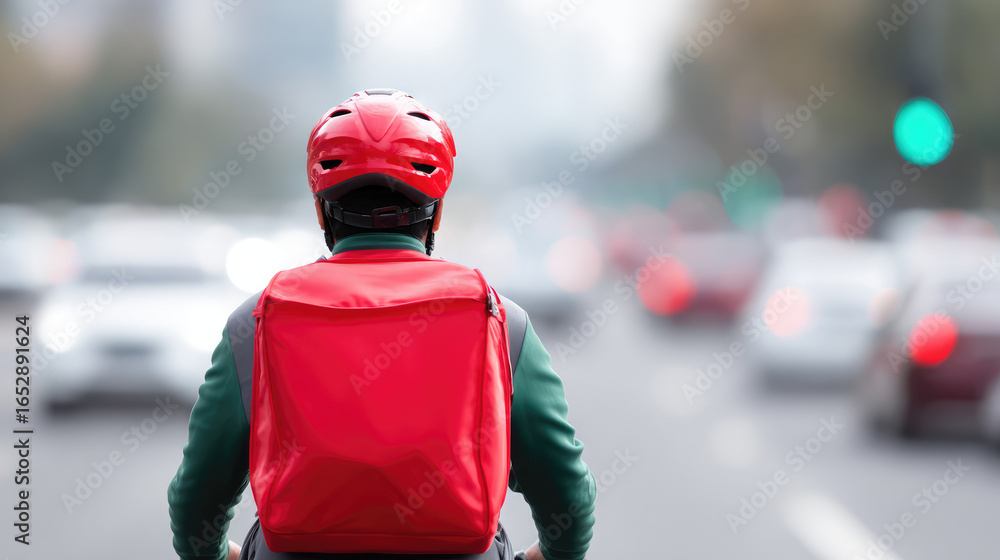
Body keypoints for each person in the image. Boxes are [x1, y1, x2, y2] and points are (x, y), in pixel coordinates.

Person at [167, 89, 596, 560]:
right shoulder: (500, 320)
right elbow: (569, 500)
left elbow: (195, 504)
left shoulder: (255, 322)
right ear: (436, 214)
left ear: (320, 211)